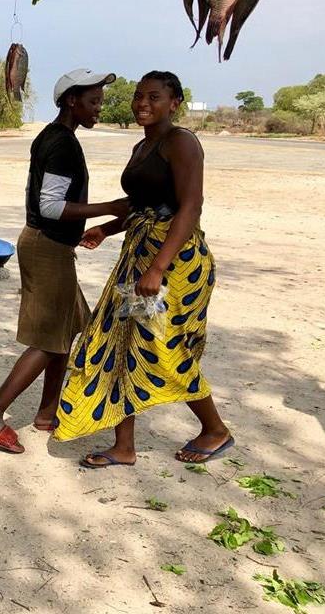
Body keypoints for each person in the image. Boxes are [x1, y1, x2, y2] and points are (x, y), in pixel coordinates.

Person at [53, 71, 233, 467]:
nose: (141, 103)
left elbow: (190, 208)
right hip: (139, 257)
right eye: (138, 96)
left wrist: (157, 268)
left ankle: (215, 429)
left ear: (175, 103)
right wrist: (105, 228)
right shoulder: (142, 146)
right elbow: (142, 205)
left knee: (165, 347)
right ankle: (123, 446)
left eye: (153, 96)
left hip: (177, 263)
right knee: (121, 343)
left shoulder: (181, 142)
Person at [0, 69, 128, 453]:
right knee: (47, 339)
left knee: (69, 326)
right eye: (93, 101)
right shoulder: (61, 144)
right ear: (71, 101)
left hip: (49, 245)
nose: (98, 109)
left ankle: (47, 411)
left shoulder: (56, 137)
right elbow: (51, 206)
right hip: (47, 246)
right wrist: (111, 208)